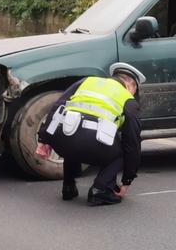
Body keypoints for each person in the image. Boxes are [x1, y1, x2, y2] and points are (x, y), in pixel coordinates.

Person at [35, 63, 145, 206]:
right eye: (135, 91)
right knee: (123, 152)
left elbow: (58, 106)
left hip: (61, 140)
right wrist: (127, 181)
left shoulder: (86, 81)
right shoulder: (127, 99)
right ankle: (100, 190)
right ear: (131, 85)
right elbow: (132, 143)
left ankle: (68, 186)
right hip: (91, 145)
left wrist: (44, 140)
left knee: (73, 130)